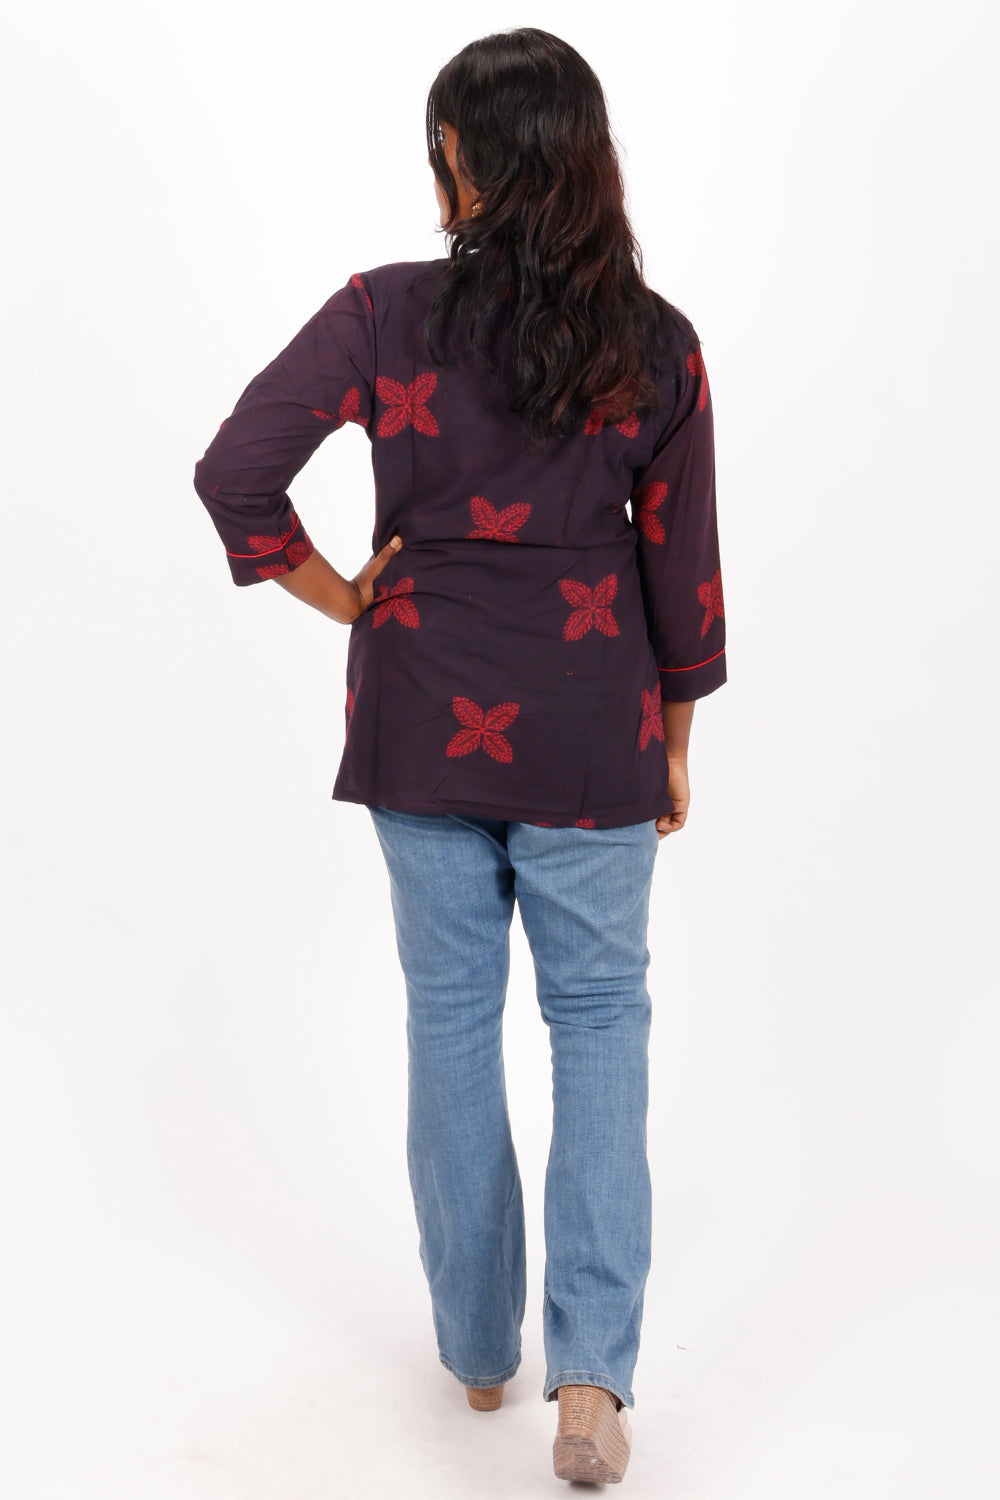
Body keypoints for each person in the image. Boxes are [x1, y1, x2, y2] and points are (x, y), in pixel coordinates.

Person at [192, 26, 727, 1486]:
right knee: (600, 1023)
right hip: (593, 732)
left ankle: (480, 1353)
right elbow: (683, 568)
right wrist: (676, 739)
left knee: (449, 1020)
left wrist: (345, 598)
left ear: (459, 162)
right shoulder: (659, 343)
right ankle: (591, 1383)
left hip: (421, 719)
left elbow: (235, 473)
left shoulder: (383, 311)